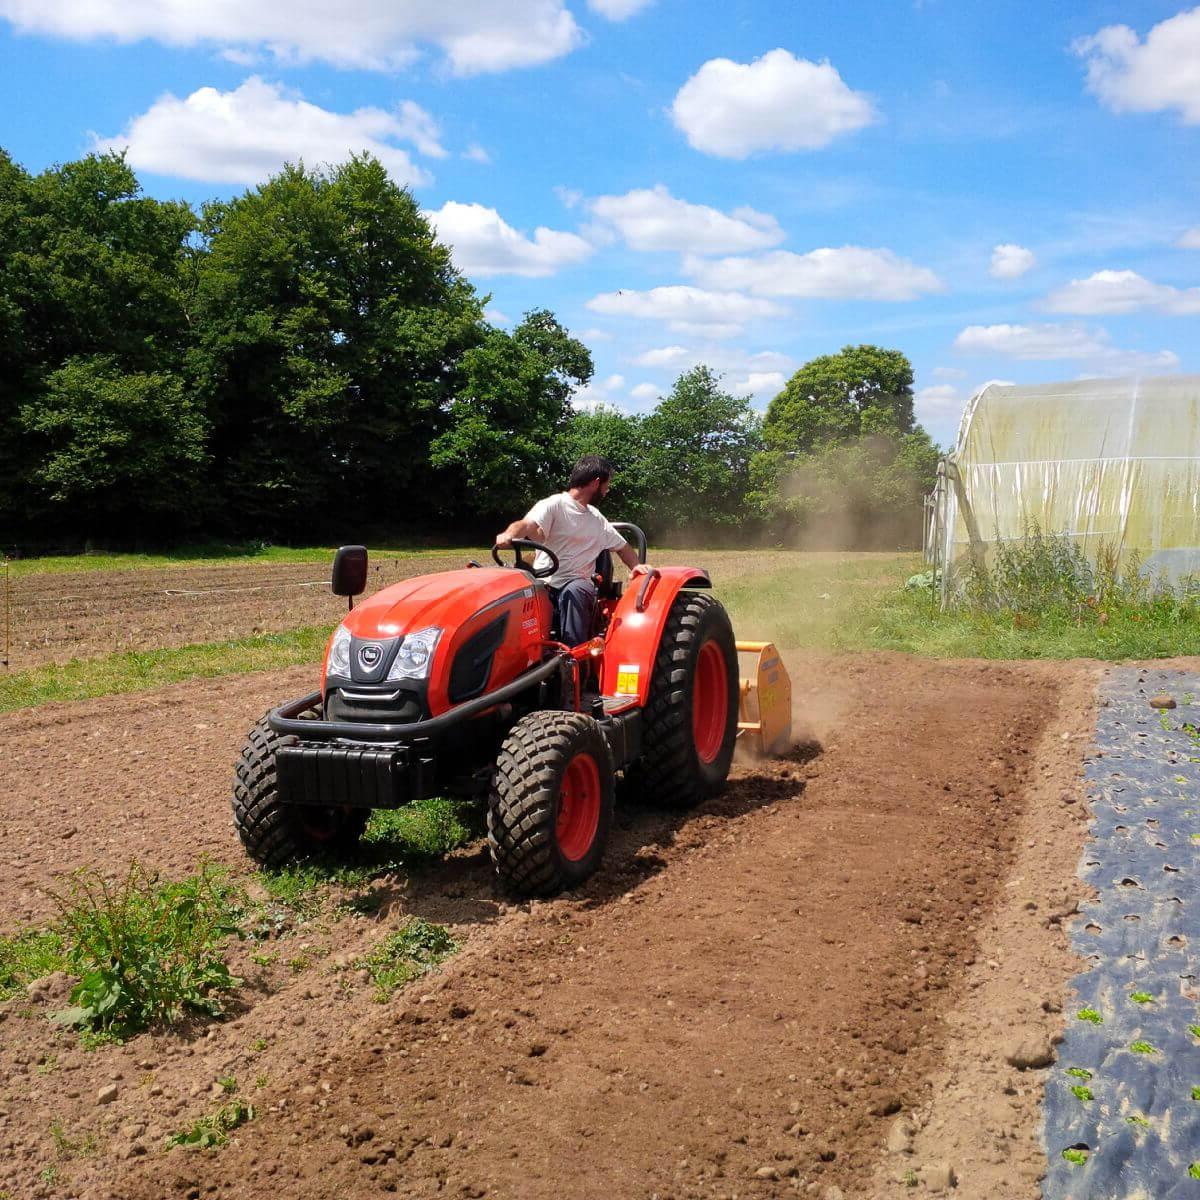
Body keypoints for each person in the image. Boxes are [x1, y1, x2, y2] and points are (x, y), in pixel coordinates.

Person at [495, 455, 651, 645]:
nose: (607, 490)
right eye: (606, 485)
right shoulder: (554, 504)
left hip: (577, 584)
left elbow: (622, 547)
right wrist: (509, 534)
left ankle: (573, 658)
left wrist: (636, 566)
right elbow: (526, 524)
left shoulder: (597, 519)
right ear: (596, 483)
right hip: (544, 581)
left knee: (574, 590)